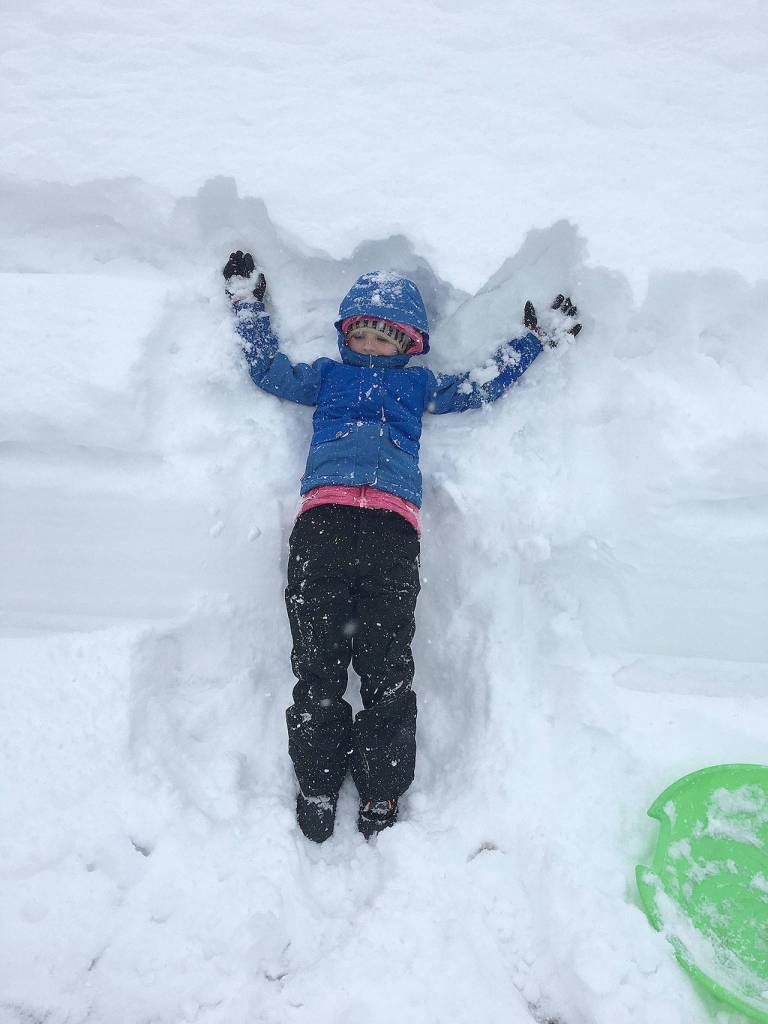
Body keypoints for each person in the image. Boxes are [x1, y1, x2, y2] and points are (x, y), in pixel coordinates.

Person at [223, 251, 582, 842]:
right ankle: (316, 781)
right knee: (317, 666)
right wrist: (246, 306)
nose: (370, 342)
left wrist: (534, 341)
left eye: (385, 335)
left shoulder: (419, 387)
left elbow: (477, 385)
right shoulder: (328, 377)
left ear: (410, 342)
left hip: (392, 534)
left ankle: (382, 789)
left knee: (387, 669)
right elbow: (269, 372)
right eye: (359, 330)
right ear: (345, 334)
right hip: (324, 526)